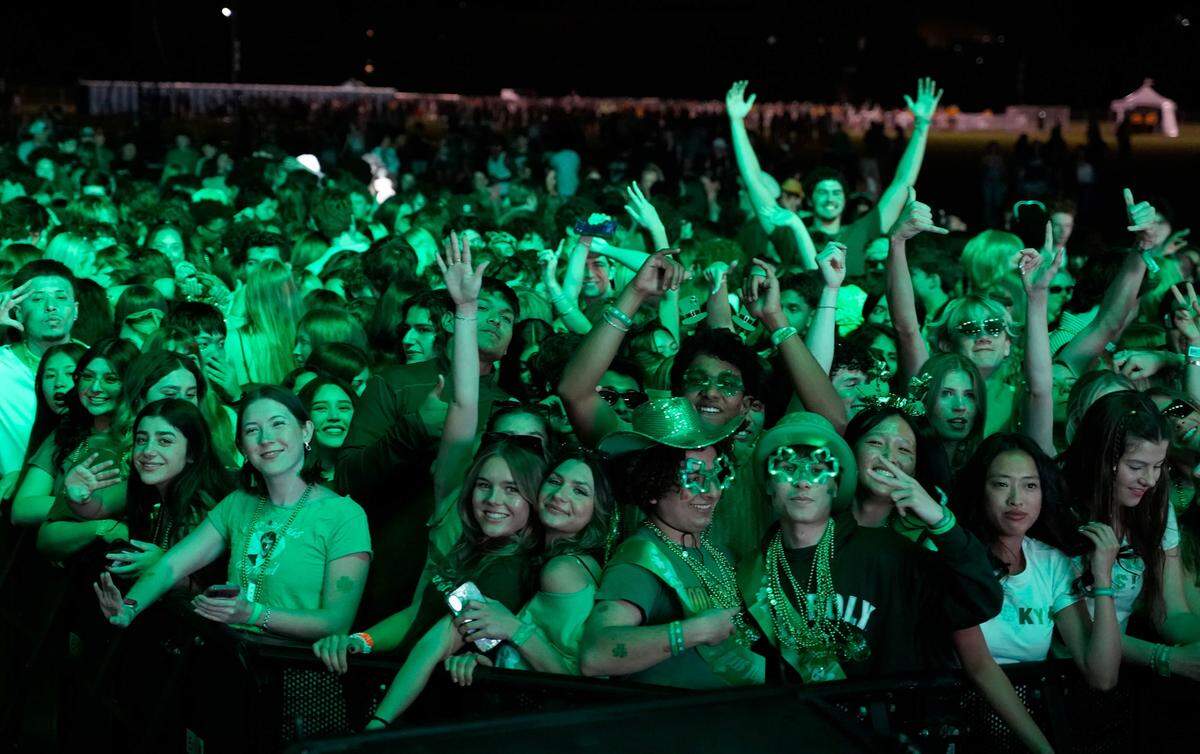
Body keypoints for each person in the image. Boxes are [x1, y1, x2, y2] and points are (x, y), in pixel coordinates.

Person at [358, 447, 613, 727]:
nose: (561, 495)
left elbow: (575, 683)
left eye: (580, 490)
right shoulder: (542, 558)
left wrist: (378, 724)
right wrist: (488, 662)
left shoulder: (556, 569)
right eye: (554, 481)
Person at [93, 384, 371, 641]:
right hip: (235, 661)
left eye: (278, 424)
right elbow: (170, 566)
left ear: (306, 431)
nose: (266, 438)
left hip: (297, 670)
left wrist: (253, 614)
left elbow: (336, 623)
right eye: (252, 430)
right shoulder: (239, 503)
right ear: (242, 447)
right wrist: (129, 607)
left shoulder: (343, 515)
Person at [738, 411, 1001, 682]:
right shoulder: (751, 572)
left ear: (836, 485)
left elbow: (981, 600)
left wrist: (941, 519)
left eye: (818, 470)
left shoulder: (892, 553)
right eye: (787, 469)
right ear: (768, 484)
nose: (803, 481)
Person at [950, 433, 1122, 752]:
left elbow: (1102, 676)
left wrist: (1103, 579)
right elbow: (980, 667)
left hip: (1029, 718)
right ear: (980, 490)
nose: (1017, 499)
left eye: (1030, 485)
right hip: (957, 721)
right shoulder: (958, 557)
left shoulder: (1051, 562)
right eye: (1001, 484)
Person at [579, 398, 765, 689]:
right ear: (653, 486)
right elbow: (595, 654)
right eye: (694, 479)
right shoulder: (640, 558)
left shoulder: (713, 552)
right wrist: (695, 630)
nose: (712, 492)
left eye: (715, 475)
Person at [1059, 390, 1200, 675]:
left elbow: (1171, 613)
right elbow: (1076, 632)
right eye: (1136, 467)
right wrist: (1165, 658)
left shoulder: (1154, 506)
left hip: (1124, 668)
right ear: (1102, 457)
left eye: (1159, 466)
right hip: (1063, 668)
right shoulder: (1059, 509)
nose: (1149, 480)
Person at [106, 398, 236, 584]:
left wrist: (162, 565)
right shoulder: (157, 495)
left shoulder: (202, 509)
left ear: (192, 453)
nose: (148, 450)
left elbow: (209, 596)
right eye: (141, 440)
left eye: (164, 441)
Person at [32, 338, 138, 558]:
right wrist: (101, 528)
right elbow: (41, 530)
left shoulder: (144, 442)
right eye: (87, 377)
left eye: (111, 378)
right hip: (69, 573)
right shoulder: (69, 429)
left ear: (131, 383)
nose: (95, 388)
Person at [0, 260, 79, 500]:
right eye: (37, 299)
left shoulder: (97, 363)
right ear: (18, 311)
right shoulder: (2, 366)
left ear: (75, 310)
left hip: (81, 504)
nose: (51, 307)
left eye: (60, 298)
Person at [8, 342, 84, 524]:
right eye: (49, 376)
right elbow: (21, 509)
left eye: (69, 373)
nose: (59, 383)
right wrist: (92, 508)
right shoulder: (55, 437)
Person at [298, 375, 357, 483]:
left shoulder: (377, 475)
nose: (334, 417)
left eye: (343, 408)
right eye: (320, 408)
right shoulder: (289, 479)